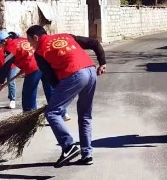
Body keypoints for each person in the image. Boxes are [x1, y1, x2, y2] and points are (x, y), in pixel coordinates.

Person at [26, 25, 107, 168]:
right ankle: (87, 154)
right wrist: (102, 62)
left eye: (30, 41)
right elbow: (94, 43)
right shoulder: (66, 36)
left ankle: (68, 146)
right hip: (91, 70)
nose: (31, 45)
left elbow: (50, 77)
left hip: (75, 73)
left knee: (52, 112)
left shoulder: (39, 52)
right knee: (85, 115)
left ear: (36, 38)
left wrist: (61, 94)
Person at [0, 30, 70, 121]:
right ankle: (63, 113)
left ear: (4, 41)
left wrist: (0, 83)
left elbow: (5, 67)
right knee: (50, 89)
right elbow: (26, 54)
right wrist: (23, 68)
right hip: (44, 64)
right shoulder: (21, 40)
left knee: (28, 92)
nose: (0, 47)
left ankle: (30, 117)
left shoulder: (9, 48)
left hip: (33, 67)